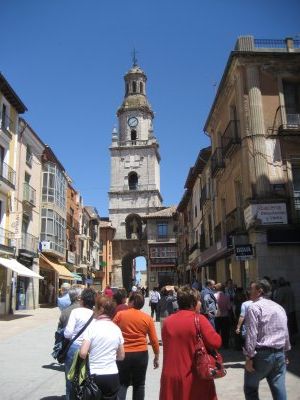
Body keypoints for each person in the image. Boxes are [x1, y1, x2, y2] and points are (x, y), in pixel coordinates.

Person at [159, 286, 222, 400]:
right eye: (199, 301)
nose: (201, 303)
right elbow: (216, 342)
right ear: (193, 303)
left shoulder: (167, 322)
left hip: (170, 376)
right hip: (193, 376)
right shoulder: (199, 319)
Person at [243, 279, 291, 400]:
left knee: (250, 388)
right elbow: (285, 332)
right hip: (279, 353)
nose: (249, 292)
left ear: (259, 291)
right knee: (279, 388)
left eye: (251, 289)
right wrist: (285, 352)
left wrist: (249, 357)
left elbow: (252, 335)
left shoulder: (254, 308)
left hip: (262, 355)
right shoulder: (279, 307)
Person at [113, 292, 159, 400]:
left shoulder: (120, 315)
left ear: (132, 302)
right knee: (139, 384)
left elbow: (111, 330)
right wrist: (156, 355)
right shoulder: (147, 318)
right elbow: (154, 340)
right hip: (141, 353)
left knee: (122, 383)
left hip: (123, 353)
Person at [80, 295, 125, 399]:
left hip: (94, 374)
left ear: (100, 309)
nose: (93, 310)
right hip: (112, 374)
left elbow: (82, 353)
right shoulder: (116, 329)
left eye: (95, 307)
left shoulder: (92, 328)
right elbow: (121, 356)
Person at [64, 287, 96, 400]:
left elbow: (68, 334)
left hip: (74, 348)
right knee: (86, 378)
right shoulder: (94, 315)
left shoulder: (75, 312)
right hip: (89, 349)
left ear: (82, 300)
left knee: (70, 378)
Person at [274, 277, 298, 344]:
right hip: (292, 310)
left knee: (286, 327)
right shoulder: (290, 289)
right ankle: (292, 340)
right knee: (292, 327)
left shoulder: (281, 290)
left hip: (285, 311)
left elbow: (278, 301)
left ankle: (287, 341)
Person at [214, 283, 231, 348]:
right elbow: (229, 307)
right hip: (225, 316)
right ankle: (225, 344)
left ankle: (217, 344)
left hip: (217, 316)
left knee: (217, 330)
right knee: (225, 331)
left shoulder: (214, 295)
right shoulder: (227, 296)